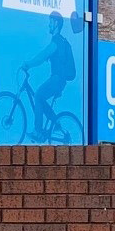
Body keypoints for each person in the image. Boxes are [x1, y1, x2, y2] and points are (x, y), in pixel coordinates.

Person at [21, 10, 76, 140]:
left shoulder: (57, 42)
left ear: (56, 23)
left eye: (50, 22)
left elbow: (42, 56)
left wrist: (27, 64)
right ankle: (56, 123)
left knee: (39, 95)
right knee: (40, 98)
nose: (49, 25)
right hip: (59, 80)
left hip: (57, 79)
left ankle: (37, 131)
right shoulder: (60, 41)